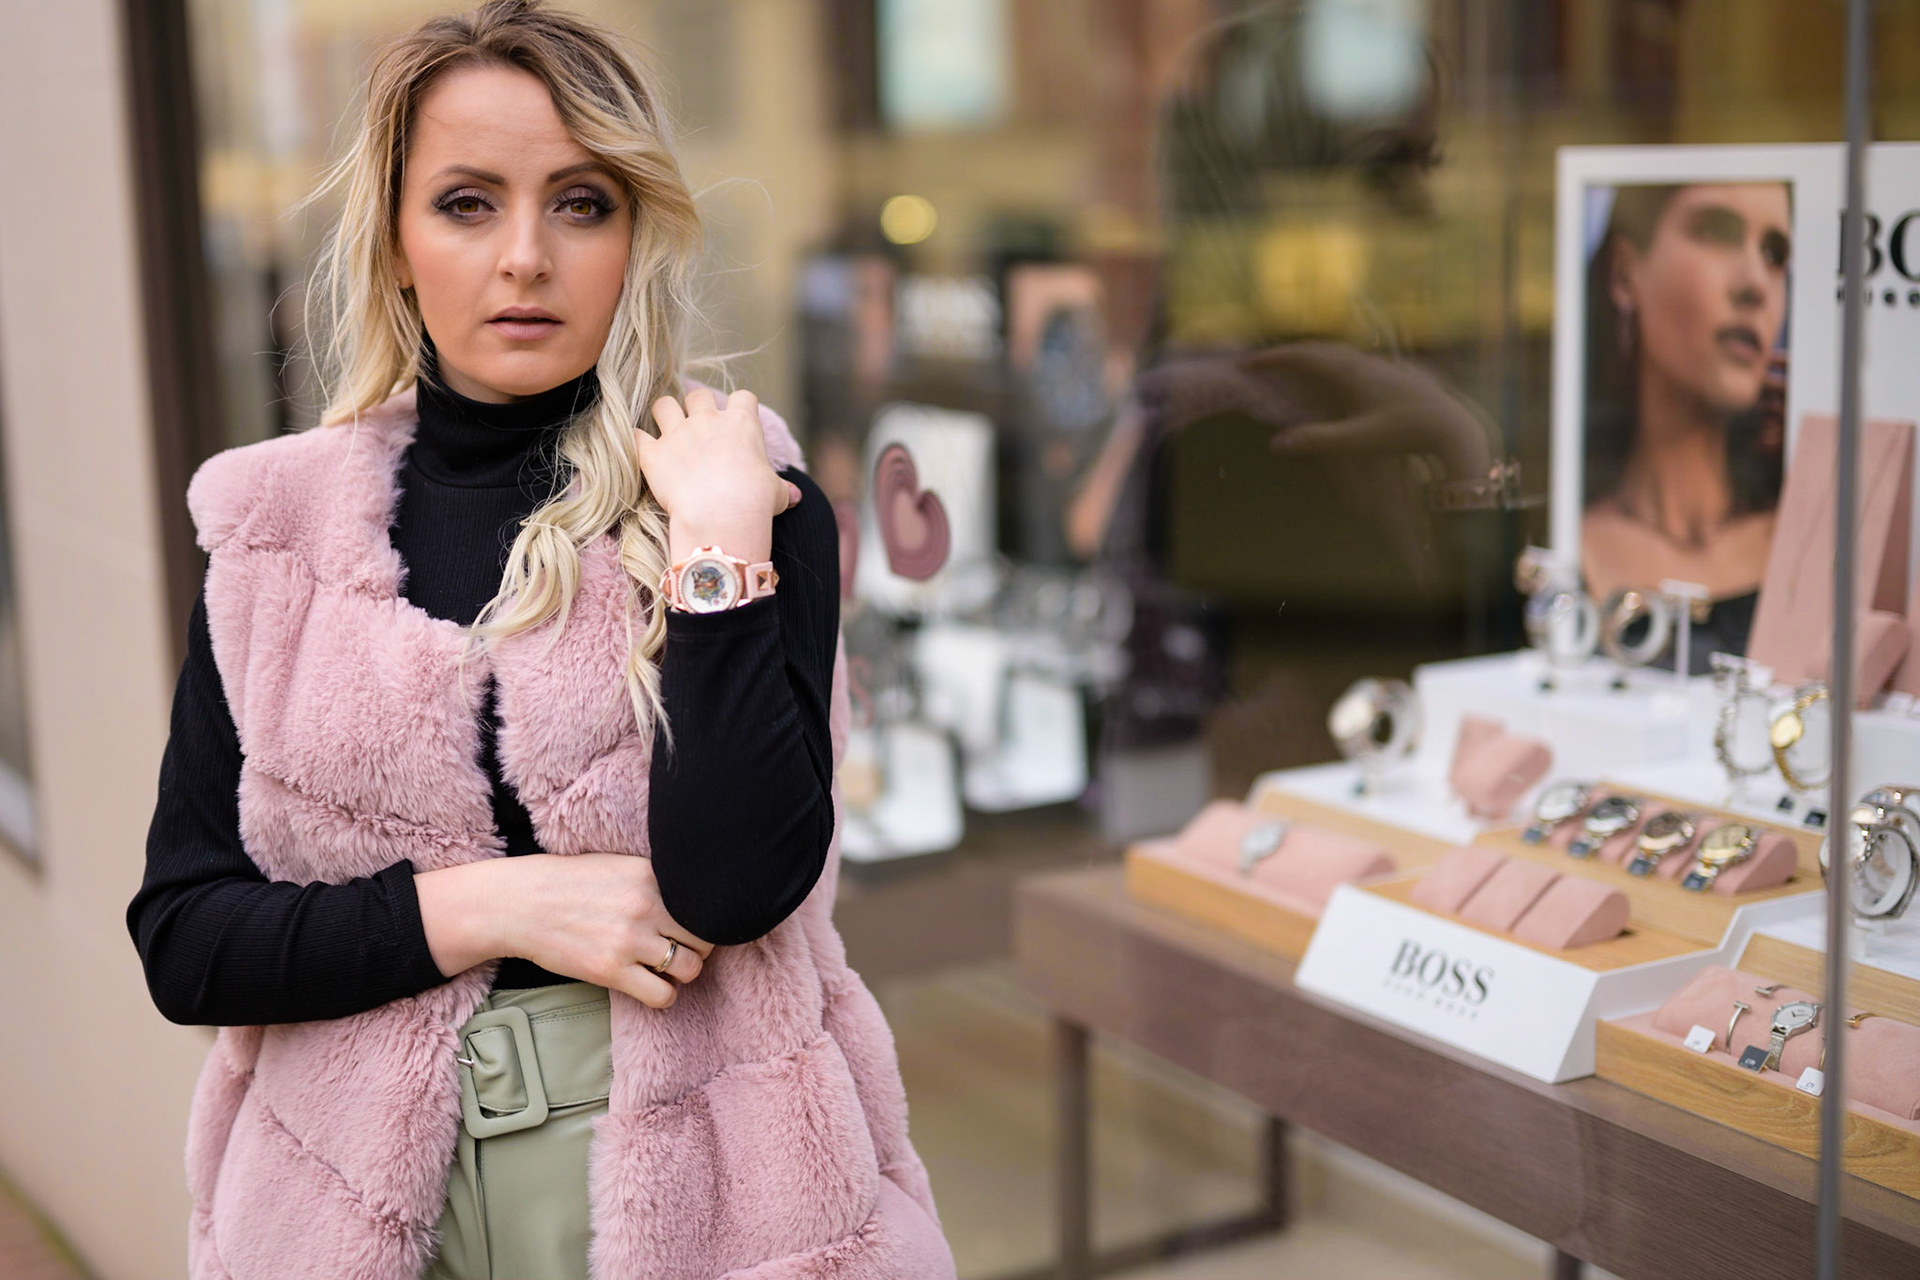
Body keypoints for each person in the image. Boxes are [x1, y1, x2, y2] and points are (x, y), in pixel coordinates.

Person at [124, 4, 954, 1278]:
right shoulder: (275, 533)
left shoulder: (740, 495)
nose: (525, 256)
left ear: (635, 233)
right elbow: (188, 940)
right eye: (466, 204)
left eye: (580, 203)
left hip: (702, 1196)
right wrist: (490, 904)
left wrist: (716, 550)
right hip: (346, 1197)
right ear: (396, 243)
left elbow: (739, 884)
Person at [1581, 181, 1792, 660]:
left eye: (1775, 255)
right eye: (1716, 232)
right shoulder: (1566, 544)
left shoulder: (1809, 541)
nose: (1756, 285)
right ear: (1624, 272)